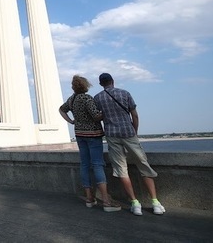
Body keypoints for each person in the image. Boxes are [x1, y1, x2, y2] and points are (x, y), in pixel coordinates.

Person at [94, 73, 165, 216]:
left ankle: (135, 203)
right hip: (129, 133)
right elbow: (135, 115)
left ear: (101, 84)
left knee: (122, 170)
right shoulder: (125, 93)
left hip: (112, 135)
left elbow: (98, 116)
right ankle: (155, 202)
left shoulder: (98, 98)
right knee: (143, 165)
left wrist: (106, 115)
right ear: (113, 81)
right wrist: (134, 131)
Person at [59, 75, 121, 212]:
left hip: (79, 134)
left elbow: (61, 110)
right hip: (93, 135)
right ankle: (106, 200)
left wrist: (71, 121)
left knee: (85, 164)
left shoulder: (72, 99)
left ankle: (89, 198)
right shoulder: (87, 98)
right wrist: (105, 112)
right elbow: (96, 116)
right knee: (98, 164)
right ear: (85, 86)